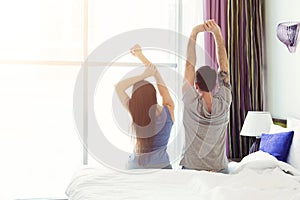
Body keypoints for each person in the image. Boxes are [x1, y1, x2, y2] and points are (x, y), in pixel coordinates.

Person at [180, 20, 232, 172]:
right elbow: (224, 67)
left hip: (191, 169)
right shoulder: (224, 101)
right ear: (215, 84)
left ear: (195, 85)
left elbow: (189, 66)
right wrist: (217, 34)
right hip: (219, 170)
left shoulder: (190, 101)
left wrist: (194, 33)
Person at [115, 44, 175, 169]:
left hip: (135, 167)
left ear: (135, 100)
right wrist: (141, 56)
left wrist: (143, 75)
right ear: (154, 95)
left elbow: (118, 87)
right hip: (162, 167)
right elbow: (158, 78)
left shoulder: (135, 111)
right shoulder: (168, 110)